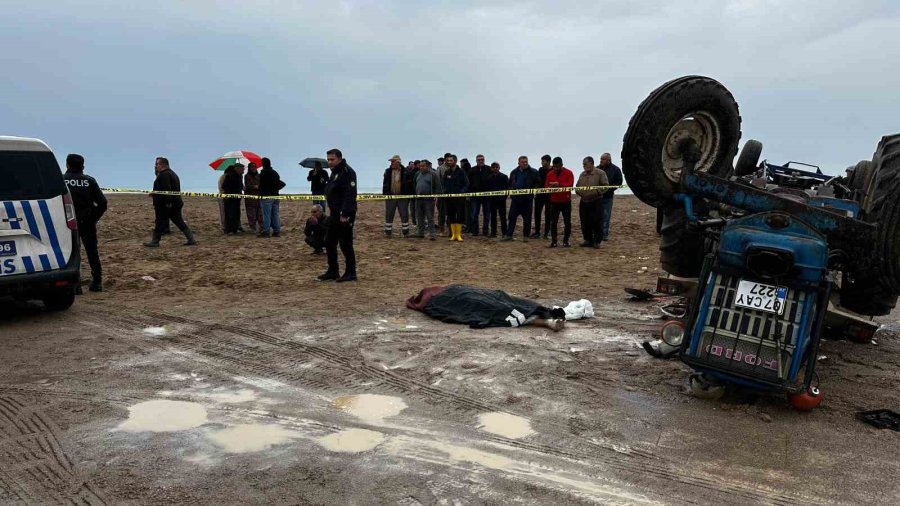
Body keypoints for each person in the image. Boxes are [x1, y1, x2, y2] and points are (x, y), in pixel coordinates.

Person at [63, 154, 107, 293]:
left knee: (73, 253)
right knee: (92, 252)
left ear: (67, 165)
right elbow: (103, 203)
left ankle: (76, 285)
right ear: (82, 166)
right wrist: (93, 217)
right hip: (87, 220)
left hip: (68, 222)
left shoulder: (61, 180)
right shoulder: (89, 181)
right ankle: (97, 281)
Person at [319, 148, 358, 282]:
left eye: (332, 159)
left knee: (346, 244)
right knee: (329, 242)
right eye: (328, 159)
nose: (330, 162)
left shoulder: (347, 172)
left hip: (344, 214)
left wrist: (345, 214)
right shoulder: (334, 173)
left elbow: (349, 194)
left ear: (339, 159)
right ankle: (333, 271)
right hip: (334, 214)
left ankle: (351, 273)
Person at [144, 157, 197, 247]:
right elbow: (167, 189)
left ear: (162, 165)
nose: (156, 166)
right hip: (174, 202)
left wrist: (168, 203)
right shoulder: (171, 173)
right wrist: (155, 193)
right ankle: (191, 239)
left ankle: (155, 241)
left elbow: (167, 189)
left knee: (160, 222)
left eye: (157, 164)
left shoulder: (164, 174)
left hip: (166, 204)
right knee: (178, 221)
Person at [502, 155, 540, 241]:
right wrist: (511, 192)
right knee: (512, 217)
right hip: (516, 199)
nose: (525, 163)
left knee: (527, 219)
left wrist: (532, 191)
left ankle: (526, 236)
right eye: (523, 162)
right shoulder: (514, 172)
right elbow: (509, 184)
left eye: (526, 161)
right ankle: (509, 235)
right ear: (518, 163)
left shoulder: (534, 172)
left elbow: (538, 183)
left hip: (527, 199)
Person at [575, 156, 609, 248]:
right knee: (585, 221)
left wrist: (597, 192)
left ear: (591, 163)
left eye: (585, 164)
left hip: (596, 201)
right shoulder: (582, 174)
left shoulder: (600, 173)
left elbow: (605, 186)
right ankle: (587, 239)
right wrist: (579, 192)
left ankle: (597, 241)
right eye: (583, 164)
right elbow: (577, 186)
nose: (584, 166)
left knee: (597, 221)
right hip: (584, 201)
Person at [545, 156, 574, 248]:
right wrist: (549, 188)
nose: (556, 169)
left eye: (558, 166)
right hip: (554, 201)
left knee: (567, 222)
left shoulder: (569, 172)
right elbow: (545, 186)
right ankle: (554, 241)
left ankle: (566, 241)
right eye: (554, 167)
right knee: (553, 222)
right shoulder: (550, 174)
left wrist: (559, 184)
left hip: (566, 201)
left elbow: (570, 185)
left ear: (561, 165)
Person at [382, 154, 413, 237]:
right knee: (389, 214)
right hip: (390, 197)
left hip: (402, 197)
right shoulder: (387, 171)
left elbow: (410, 184)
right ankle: (388, 232)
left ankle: (406, 232)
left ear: (398, 162)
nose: (391, 163)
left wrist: (408, 195)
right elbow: (385, 184)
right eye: (391, 162)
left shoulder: (406, 171)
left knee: (404, 214)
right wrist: (386, 194)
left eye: (393, 161)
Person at [442, 154, 469, 242]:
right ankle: (454, 235)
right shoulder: (447, 172)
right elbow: (443, 183)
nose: (449, 162)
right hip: (449, 198)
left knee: (460, 215)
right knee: (451, 215)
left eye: (451, 160)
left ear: (455, 161)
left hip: (459, 198)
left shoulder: (461, 171)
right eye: (448, 160)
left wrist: (462, 191)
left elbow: (466, 183)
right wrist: (445, 191)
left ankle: (459, 234)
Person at [258, 157, 286, 238]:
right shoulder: (275, 173)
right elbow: (279, 183)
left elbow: (261, 185)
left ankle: (266, 231)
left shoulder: (263, 173)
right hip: (275, 195)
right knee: (275, 214)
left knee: (266, 214)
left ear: (263, 164)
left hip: (266, 196)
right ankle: (277, 231)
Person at [598, 152, 623, 242]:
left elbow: (619, 182)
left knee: (606, 215)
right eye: (601, 159)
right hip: (597, 196)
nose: (601, 161)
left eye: (603, 159)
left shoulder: (615, 169)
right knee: (597, 215)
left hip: (608, 196)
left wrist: (609, 189)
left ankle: (604, 234)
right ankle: (597, 233)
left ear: (609, 160)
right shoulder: (597, 169)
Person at [414, 159, 439, 240]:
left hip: (429, 200)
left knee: (430, 217)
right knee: (419, 217)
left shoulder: (433, 174)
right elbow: (415, 184)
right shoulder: (418, 174)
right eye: (420, 166)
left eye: (423, 166)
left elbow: (438, 186)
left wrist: (436, 196)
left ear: (427, 166)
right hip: (418, 199)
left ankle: (432, 234)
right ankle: (420, 233)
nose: (421, 167)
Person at [467, 154, 491, 236]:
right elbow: (468, 183)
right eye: (479, 160)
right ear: (476, 161)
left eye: (482, 159)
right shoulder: (472, 170)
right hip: (475, 197)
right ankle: (475, 231)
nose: (481, 161)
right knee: (474, 214)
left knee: (487, 215)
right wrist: (469, 194)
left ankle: (485, 231)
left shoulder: (488, 169)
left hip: (486, 196)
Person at [532, 154, 552, 239]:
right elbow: (537, 181)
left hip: (549, 195)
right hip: (540, 195)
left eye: (543, 161)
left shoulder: (553, 171)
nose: (542, 163)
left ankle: (546, 233)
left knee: (548, 214)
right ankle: (537, 232)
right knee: (537, 213)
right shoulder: (540, 170)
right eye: (541, 161)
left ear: (548, 162)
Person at [486, 162, 508, 238]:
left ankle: (504, 232)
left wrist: (504, 197)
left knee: (503, 217)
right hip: (492, 200)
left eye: (496, 167)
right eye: (494, 167)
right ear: (491, 168)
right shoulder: (489, 178)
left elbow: (507, 188)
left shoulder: (504, 177)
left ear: (499, 167)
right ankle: (493, 232)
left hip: (501, 200)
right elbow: (488, 189)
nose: (495, 168)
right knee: (493, 217)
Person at [221, 164, 244, 234]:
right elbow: (223, 186)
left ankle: (235, 228)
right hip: (230, 199)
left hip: (237, 198)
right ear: (237, 169)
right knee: (230, 214)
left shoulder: (239, 176)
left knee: (236, 214)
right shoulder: (229, 176)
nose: (243, 170)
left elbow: (240, 186)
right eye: (242, 169)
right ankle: (230, 230)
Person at [244, 162, 262, 231]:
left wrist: (258, 186)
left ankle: (261, 227)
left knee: (260, 214)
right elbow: (247, 185)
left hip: (258, 197)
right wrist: (254, 186)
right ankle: (252, 227)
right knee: (251, 214)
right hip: (250, 198)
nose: (253, 168)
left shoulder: (259, 175)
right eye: (252, 167)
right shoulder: (247, 176)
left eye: (254, 166)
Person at [436, 153, 451, 235]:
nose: (448, 161)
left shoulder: (453, 168)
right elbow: (437, 181)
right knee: (442, 213)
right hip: (442, 194)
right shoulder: (440, 168)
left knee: (450, 213)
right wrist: (438, 194)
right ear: (445, 159)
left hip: (452, 194)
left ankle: (450, 230)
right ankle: (442, 230)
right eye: (447, 159)